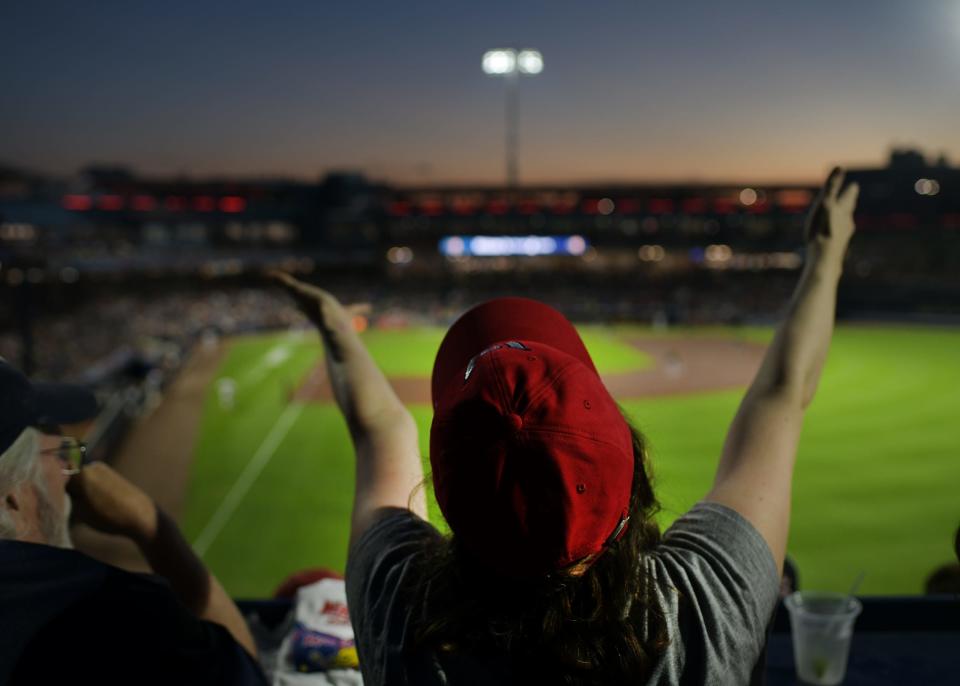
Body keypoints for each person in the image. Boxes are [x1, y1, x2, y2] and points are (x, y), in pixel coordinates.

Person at [275, 166, 859, 685]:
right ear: (627, 473)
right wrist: (826, 262)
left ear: (453, 504)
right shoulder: (704, 609)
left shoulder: (401, 614)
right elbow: (781, 394)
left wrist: (336, 328)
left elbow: (380, 429)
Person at [0, 358, 266, 685]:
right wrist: (151, 525)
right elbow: (247, 675)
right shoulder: (110, 608)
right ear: (12, 496)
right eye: (62, 455)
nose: (73, 475)